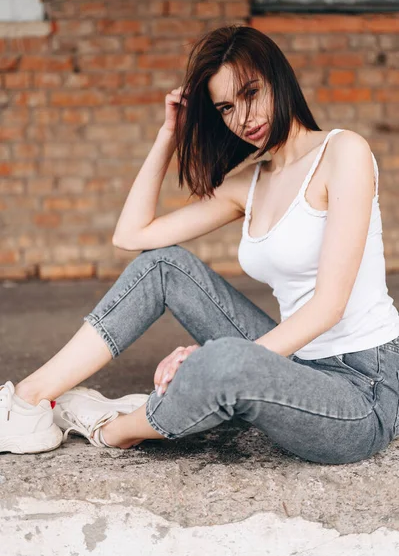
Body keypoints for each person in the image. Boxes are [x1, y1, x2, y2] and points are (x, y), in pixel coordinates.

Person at [1, 25, 399, 464]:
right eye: (227, 107)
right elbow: (132, 236)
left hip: (364, 390)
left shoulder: (344, 152)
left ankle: (114, 429)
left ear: (279, 79)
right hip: (294, 364)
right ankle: (29, 400)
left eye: (251, 93)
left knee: (224, 362)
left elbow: (329, 307)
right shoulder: (249, 183)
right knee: (165, 265)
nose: (243, 118)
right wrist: (168, 134)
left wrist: (214, 359)